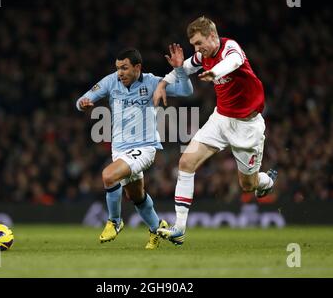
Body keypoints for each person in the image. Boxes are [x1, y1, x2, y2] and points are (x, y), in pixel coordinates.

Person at [154, 16, 278, 246]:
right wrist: (163, 82)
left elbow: (232, 63)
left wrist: (214, 73)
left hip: (247, 126)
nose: (197, 49)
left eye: (199, 43)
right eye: (194, 45)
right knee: (185, 163)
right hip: (220, 120)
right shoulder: (203, 56)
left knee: (247, 185)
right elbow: (185, 69)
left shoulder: (230, 47)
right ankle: (179, 228)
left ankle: (266, 182)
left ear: (213, 36)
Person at [76, 47, 193, 249]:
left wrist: (180, 69)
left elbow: (186, 90)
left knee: (108, 176)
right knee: (136, 196)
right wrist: (83, 104)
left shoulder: (152, 82)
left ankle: (114, 221)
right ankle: (157, 229)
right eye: (118, 68)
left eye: (124, 68)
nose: (120, 72)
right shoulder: (110, 81)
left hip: (145, 147)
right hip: (120, 149)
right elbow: (81, 100)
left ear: (137, 67)